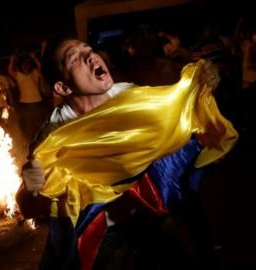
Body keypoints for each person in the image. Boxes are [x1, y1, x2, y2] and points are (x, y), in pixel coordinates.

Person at [16, 37, 238, 270]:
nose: (91, 56)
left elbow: (178, 118)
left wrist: (200, 85)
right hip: (108, 231)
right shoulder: (54, 136)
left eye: (89, 50)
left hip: (156, 212)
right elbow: (27, 207)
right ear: (63, 87)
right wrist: (33, 191)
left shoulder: (133, 97)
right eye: (75, 58)